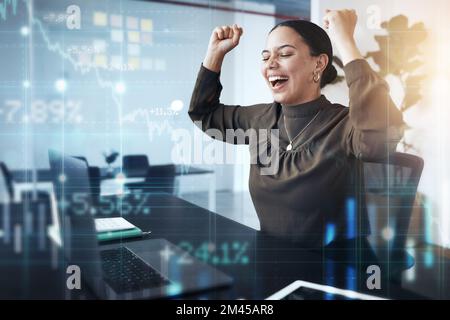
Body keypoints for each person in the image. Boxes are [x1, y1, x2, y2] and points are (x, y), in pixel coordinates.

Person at [188, 10, 404, 248]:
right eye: (265, 56)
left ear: (319, 63)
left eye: (285, 54)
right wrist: (214, 54)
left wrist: (345, 41)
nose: (271, 64)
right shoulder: (259, 119)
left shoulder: (345, 124)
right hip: (274, 261)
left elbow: (379, 138)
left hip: (335, 270)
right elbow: (203, 114)